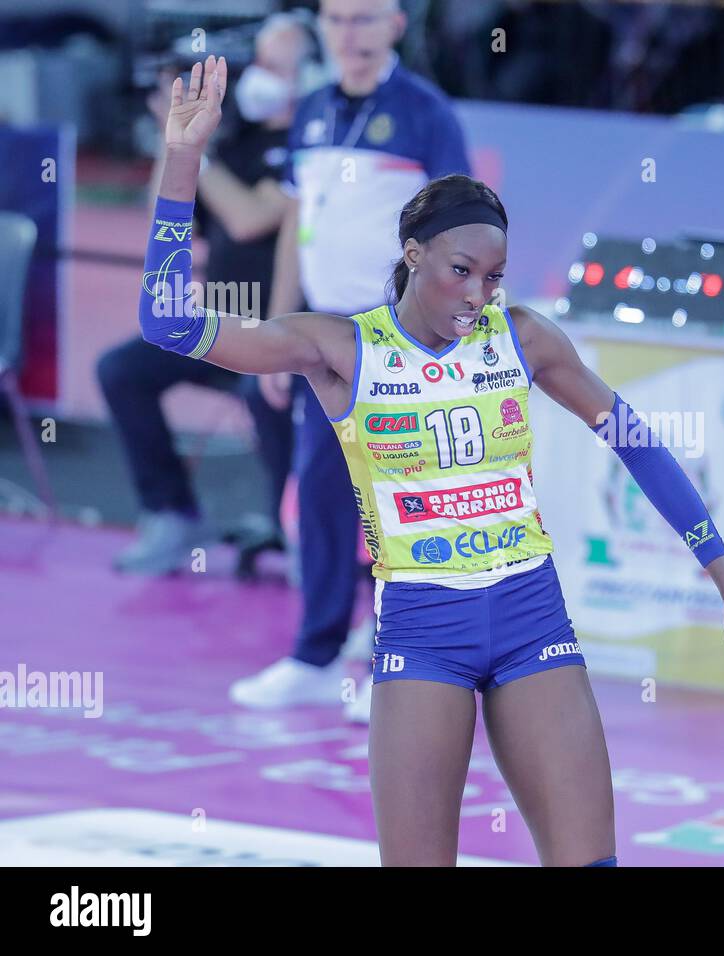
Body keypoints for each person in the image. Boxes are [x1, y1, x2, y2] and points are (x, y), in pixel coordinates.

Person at [139, 55, 724, 867]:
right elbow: (166, 323)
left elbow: (636, 442)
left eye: (496, 276)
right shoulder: (339, 347)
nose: (480, 295)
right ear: (413, 255)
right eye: (462, 272)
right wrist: (185, 159)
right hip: (421, 631)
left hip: (531, 618)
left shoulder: (526, 338)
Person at [229, 0, 473, 721]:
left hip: (401, 337)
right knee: (325, 495)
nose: (348, 34)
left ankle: (396, 660)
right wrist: (279, 330)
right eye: (335, 20)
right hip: (324, 336)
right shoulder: (310, 110)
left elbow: (463, 226)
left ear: (396, 24)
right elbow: (298, 223)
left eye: (364, 18)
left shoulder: (426, 112)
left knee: (401, 505)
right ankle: (314, 653)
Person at [98, 15, 309, 574]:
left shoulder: (304, 140)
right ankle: (172, 513)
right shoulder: (234, 143)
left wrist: (196, 155)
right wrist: (176, 145)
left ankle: (292, 529)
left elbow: (247, 219)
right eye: (258, 63)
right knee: (120, 371)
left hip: (282, 335)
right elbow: (164, 226)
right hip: (218, 322)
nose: (261, 77)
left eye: (274, 65)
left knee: (263, 395)